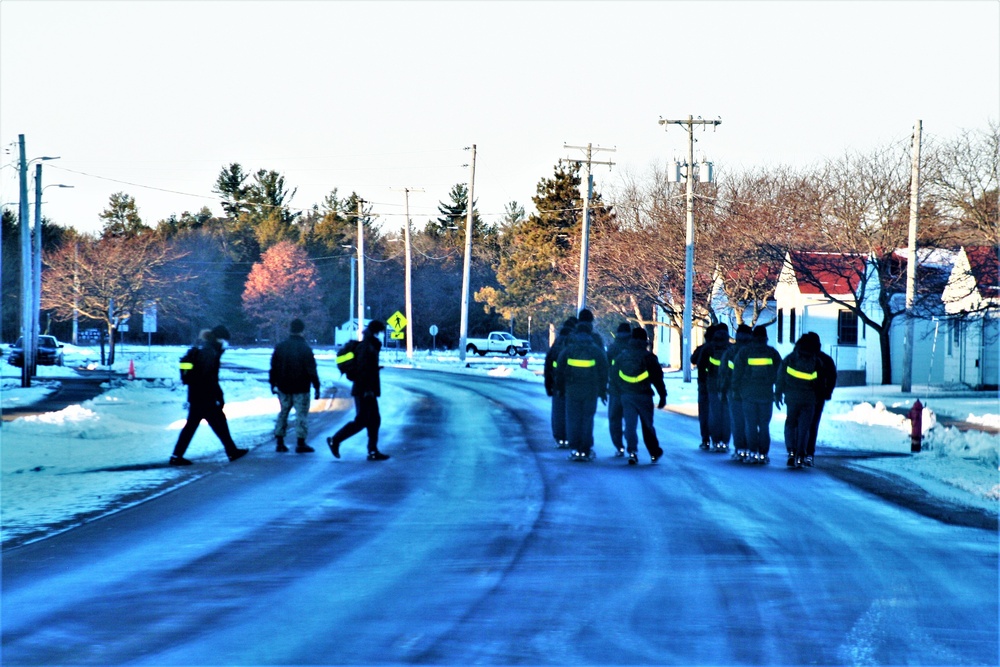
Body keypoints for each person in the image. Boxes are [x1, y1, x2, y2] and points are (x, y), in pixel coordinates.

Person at [169, 325, 249, 466]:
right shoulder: (209, 352)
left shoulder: (209, 349)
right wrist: (217, 395)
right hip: (204, 397)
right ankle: (231, 451)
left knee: (202, 425)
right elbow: (208, 377)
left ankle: (177, 456)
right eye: (225, 340)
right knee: (216, 424)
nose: (226, 343)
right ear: (220, 338)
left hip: (198, 395)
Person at [326, 320, 390, 461]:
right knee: (363, 421)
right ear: (377, 331)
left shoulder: (370, 345)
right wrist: (368, 390)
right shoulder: (367, 347)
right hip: (364, 390)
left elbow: (366, 368)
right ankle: (335, 440)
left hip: (366, 389)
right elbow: (363, 370)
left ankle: (372, 450)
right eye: (380, 332)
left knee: (373, 420)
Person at [611, 327, 667, 465]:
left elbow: (614, 376)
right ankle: (654, 452)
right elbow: (657, 378)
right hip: (644, 396)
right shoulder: (649, 357)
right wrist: (662, 395)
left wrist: (619, 392)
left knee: (630, 425)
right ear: (645, 340)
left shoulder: (622, 356)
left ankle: (632, 451)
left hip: (627, 395)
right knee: (647, 425)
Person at [556, 320, 609, 462]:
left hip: (572, 391)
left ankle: (574, 449)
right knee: (587, 420)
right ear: (589, 334)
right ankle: (585, 450)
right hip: (590, 391)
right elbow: (604, 372)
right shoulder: (596, 351)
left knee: (573, 420)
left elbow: (559, 372)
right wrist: (603, 391)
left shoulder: (568, 350)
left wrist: (560, 389)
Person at [731, 325, 782, 465]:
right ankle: (763, 454)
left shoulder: (744, 352)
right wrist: (778, 392)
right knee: (764, 425)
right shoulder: (772, 353)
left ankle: (752, 452)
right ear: (766, 337)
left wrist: (735, 390)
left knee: (750, 424)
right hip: (766, 394)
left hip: (748, 394)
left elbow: (737, 373)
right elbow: (780, 374)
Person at [269, 318, 321, 453]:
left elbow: (273, 367)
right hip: (301, 387)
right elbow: (311, 369)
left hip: (284, 386)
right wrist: (316, 386)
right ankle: (300, 442)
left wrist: (273, 383)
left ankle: (280, 441)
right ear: (302, 331)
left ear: (290, 329)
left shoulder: (280, 347)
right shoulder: (305, 348)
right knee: (301, 415)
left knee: (283, 412)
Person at [775, 334, 822, 468]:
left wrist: (778, 393)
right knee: (804, 428)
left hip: (792, 398)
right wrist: (817, 397)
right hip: (809, 399)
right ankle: (801, 454)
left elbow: (781, 376)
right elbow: (820, 382)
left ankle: (791, 451)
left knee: (790, 424)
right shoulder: (816, 361)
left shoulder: (790, 358)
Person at [720, 324, 753, 461]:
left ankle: (740, 449)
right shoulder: (755, 351)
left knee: (737, 421)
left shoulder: (731, 351)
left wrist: (722, 390)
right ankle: (752, 448)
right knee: (751, 421)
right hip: (752, 392)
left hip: (734, 392)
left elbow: (724, 372)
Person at [697, 324, 731, 451]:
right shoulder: (731, 349)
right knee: (726, 415)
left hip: (711, 385)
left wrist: (703, 381)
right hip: (728, 386)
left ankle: (714, 440)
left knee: (713, 414)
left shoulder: (707, 348)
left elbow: (699, 364)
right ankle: (725, 441)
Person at [544, 319, 576, 449]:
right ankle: (569, 437)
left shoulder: (556, 344)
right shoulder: (572, 344)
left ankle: (559, 437)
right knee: (571, 412)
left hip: (556, 383)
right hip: (571, 384)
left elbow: (548, 365)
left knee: (558, 412)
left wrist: (548, 384)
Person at [806, 332, 837, 466]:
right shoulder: (826, 359)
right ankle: (808, 453)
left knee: (799, 424)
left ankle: (798, 450)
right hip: (818, 397)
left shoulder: (801, 356)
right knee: (813, 425)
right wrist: (827, 393)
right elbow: (832, 378)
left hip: (804, 395)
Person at [606, 322, 634, 457]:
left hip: (615, 389)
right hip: (632, 390)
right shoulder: (634, 347)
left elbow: (605, 368)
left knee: (614, 418)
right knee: (630, 419)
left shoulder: (613, 348)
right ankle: (631, 446)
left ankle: (619, 446)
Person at [692, 324, 718, 450]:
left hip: (703, 384)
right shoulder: (724, 349)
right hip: (720, 385)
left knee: (704, 413)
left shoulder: (703, 348)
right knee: (718, 412)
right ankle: (717, 439)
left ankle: (706, 439)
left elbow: (693, 359)